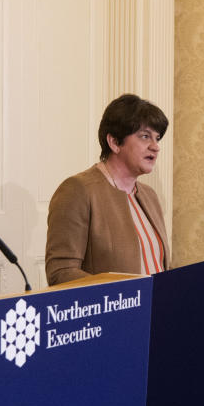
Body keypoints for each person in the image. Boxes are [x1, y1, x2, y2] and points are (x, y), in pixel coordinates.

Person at [45, 94, 170, 285]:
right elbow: (61, 273)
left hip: (157, 311)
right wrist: (122, 292)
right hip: (113, 311)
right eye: (145, 136)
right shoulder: (78, 190)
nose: (155, 147)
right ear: (114, 142)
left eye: (157, 138)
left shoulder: (149, 196)